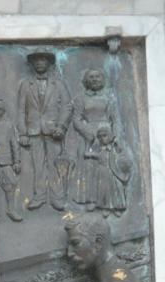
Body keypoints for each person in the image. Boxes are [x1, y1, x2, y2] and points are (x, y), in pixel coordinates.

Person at [17, 48, 71, 211]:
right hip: (33, 131)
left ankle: (56, 197)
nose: (39, 63)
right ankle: (39, 196)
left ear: (49, 63)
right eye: (36, 60)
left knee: (55, 165)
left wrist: (61, 126)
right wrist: (23, 132)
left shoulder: (58, 84)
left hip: (54, 131)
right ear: (32, 64)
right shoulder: (25, 84)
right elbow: (21, 110)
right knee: (38, 166)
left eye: (43, 60)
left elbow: (67, 107)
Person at [72, 69, 122, 210]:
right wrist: (87, 132)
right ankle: (90, 199)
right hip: (87, 136)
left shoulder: (109, 98)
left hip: (106, 135)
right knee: (89, 167)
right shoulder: (80, 98)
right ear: (86, 81)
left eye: (97, 76)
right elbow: (76, 119)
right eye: (91, 77)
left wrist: (115, 136)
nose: (95, 79)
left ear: (102, 79)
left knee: (105, 168)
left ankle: (108, 201)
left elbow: (116, 119)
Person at [84, 123, 132, 217]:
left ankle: (117, 207)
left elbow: (121, 154)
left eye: (104, 136)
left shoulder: (114, 147)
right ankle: (105, 208)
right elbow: (95, 155)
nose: (102, 139)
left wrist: (117, 144)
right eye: (100, 137)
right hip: (102, 172)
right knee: (103, 191)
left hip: (114, 172)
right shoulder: (99, 149)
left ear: (110, 136)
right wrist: (90, 153)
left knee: (116, 189)